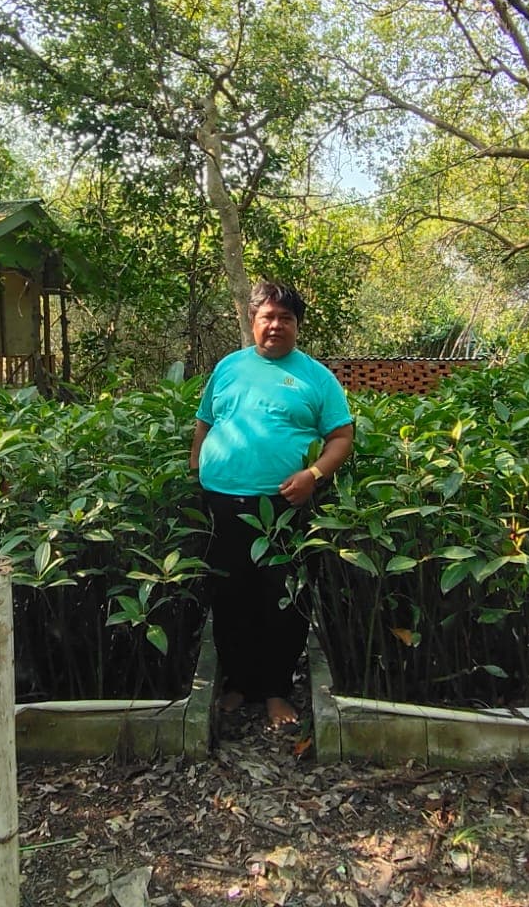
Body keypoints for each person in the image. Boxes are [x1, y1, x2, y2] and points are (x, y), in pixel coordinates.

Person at [191, 280, 355, 727]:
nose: (276, 325)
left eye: (286, 318)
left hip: (285, 509)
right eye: (268, 316)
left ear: (297, 325)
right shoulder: (227, 368)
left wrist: (314, 475)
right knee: (229, 598)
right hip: (224, 504)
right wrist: (196, 472)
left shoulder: (316, 377)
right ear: (253, 321)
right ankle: (239, 685)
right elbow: (205, 424)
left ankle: (277, 689)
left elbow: (341, 437)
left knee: (283, 598)